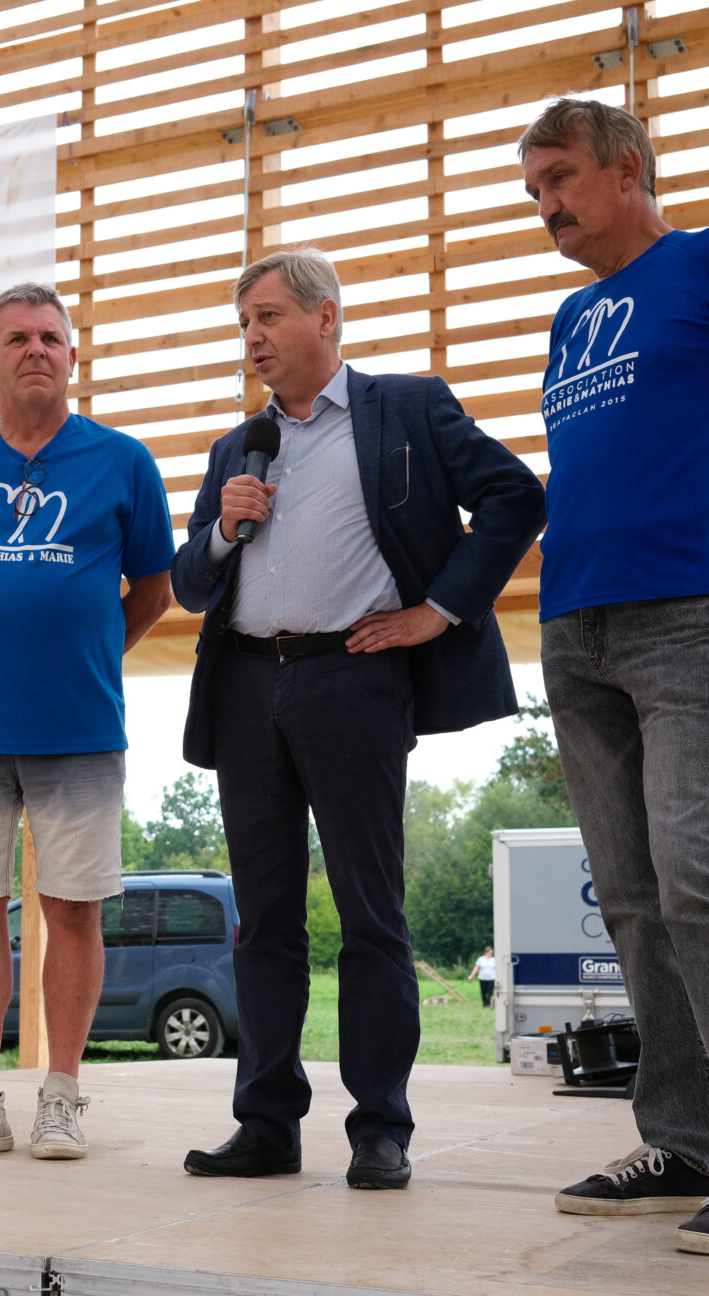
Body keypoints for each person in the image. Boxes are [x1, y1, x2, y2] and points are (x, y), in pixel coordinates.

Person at [172, 247, 544, 1190]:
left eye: (267, 316)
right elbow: (188, 585)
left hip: (354, 679)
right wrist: (221, 530)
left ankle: (381, 1128)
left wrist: (439, 610)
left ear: (325, 317)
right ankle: (266, 1125)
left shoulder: (408, 409)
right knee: (263, 922)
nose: (252, 336)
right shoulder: (238, 448)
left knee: (371, 915)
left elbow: (515, 496)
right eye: (243, 323)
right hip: (247, 686)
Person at [0, 282, 174, 1161]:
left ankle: (61, 1097)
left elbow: (155, 589)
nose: (36, 351)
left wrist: (82, 651)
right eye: (17, 338)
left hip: (80, 728)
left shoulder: (123, 462)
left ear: (72, 356)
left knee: (75, 911)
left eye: (51, 338)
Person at [519, 97, 709, 1254]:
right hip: (576, 628)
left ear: (628, 169)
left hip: (688, 615)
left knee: (698, 877)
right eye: (533, 190)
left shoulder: (700, 266)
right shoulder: (571, 318)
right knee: (632, 899)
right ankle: (683, 1140)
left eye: (560, 177)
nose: (546, 205)